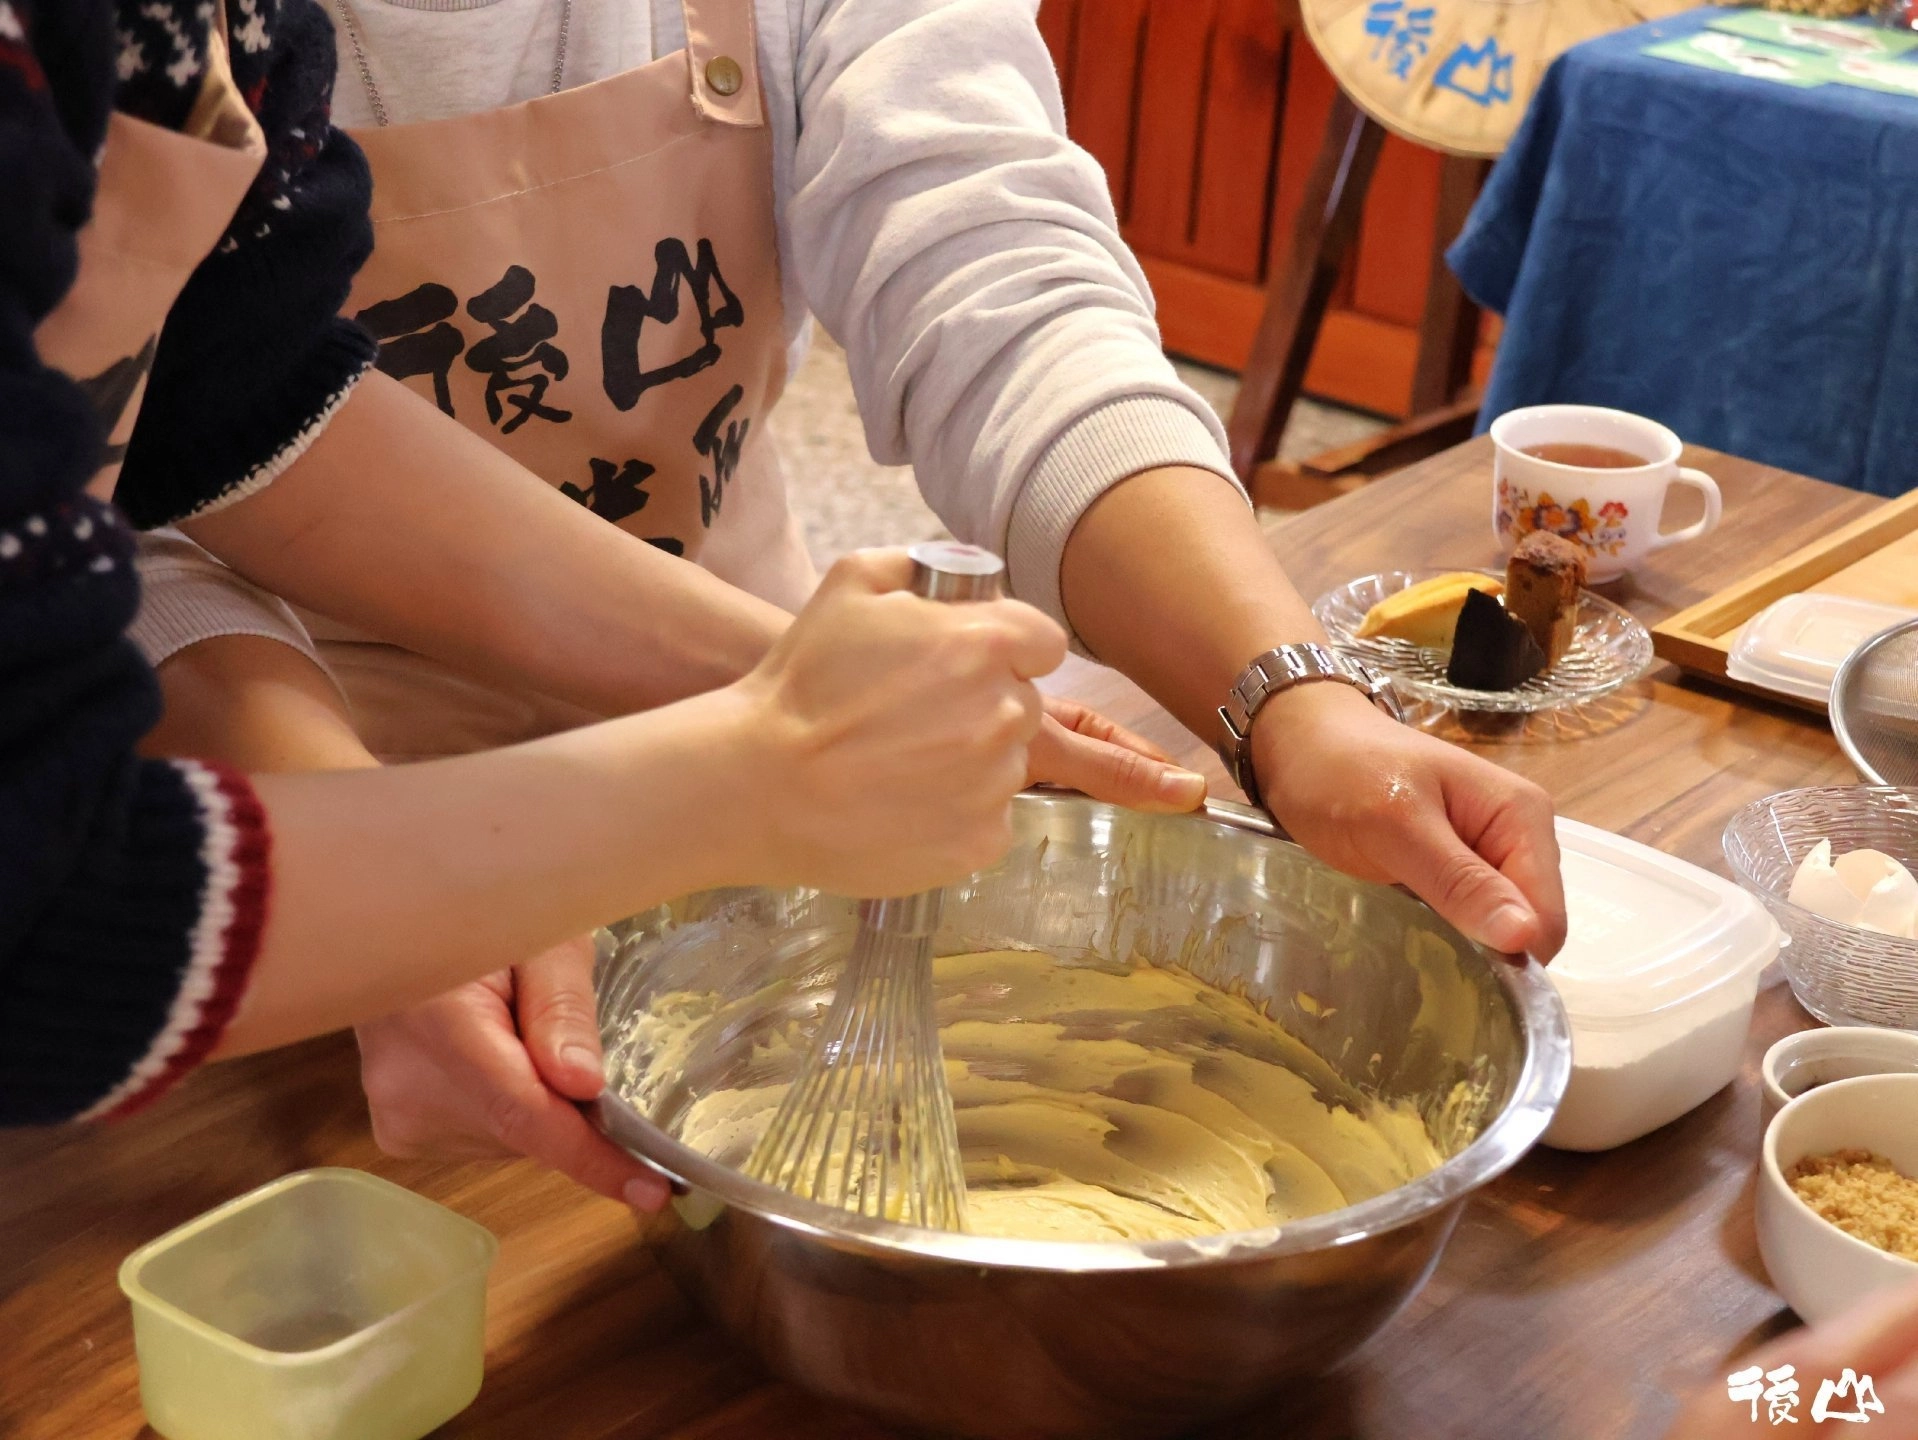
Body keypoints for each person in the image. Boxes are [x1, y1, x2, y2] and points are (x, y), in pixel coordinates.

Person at [119, 0, 1569, 1202]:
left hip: (753, 801)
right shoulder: (121, 46)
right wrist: (391, 888)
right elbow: (133, 467)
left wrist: (1285, 696)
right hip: (239, 843)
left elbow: (998, 279)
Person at [0, 0, 1062, 1140]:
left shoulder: (201, 32)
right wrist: (745, 775)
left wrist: (782, 682)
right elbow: (38, 906)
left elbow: (235, 396)